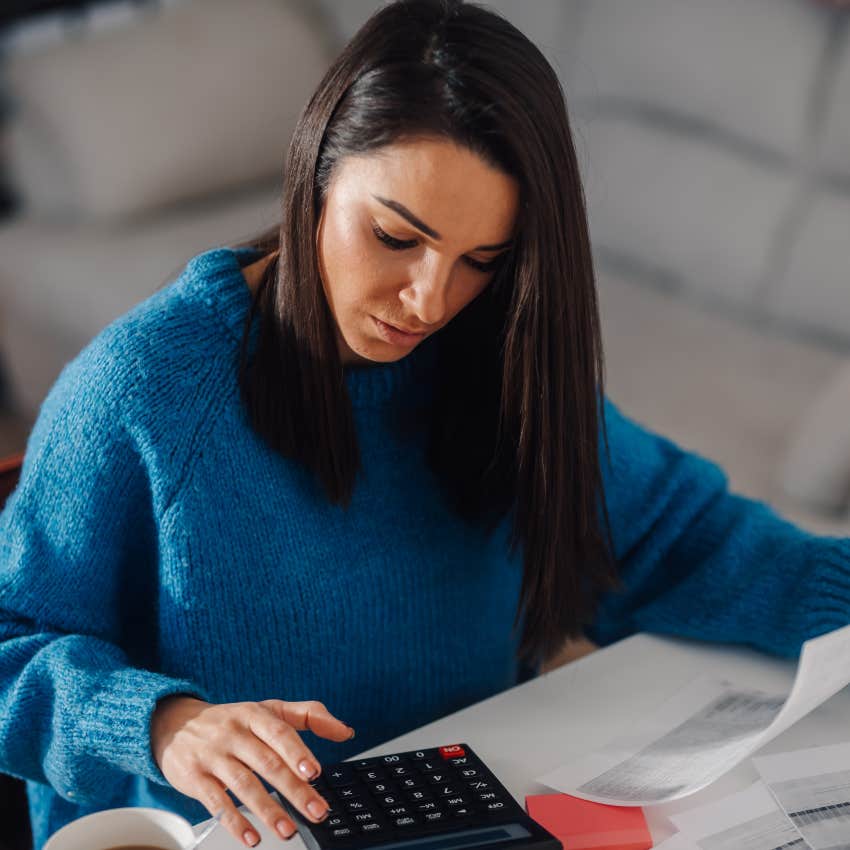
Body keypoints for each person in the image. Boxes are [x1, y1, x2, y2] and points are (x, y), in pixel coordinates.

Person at [1, 0, 849, 846]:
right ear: (316, 172)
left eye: (482, 261)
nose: (430, 302)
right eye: (394, 237)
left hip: (475, 817)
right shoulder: (146, 389)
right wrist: (160, 723)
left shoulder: (494, 359)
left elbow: (686, 542)